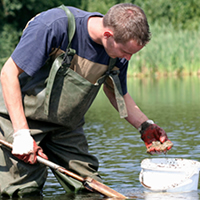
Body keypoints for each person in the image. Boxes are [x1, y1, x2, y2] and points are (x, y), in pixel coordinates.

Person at [0, 3, 173, 198]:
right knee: (23, 191)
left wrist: (145, 125)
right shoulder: (53, 26)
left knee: (92, 188)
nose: (129, 58)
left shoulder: (117, 54)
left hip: (66, 127)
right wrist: (22, 134)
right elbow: (8, 74)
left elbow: (119, 94)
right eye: (126, 52)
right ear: (107, 35)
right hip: (20, 120)